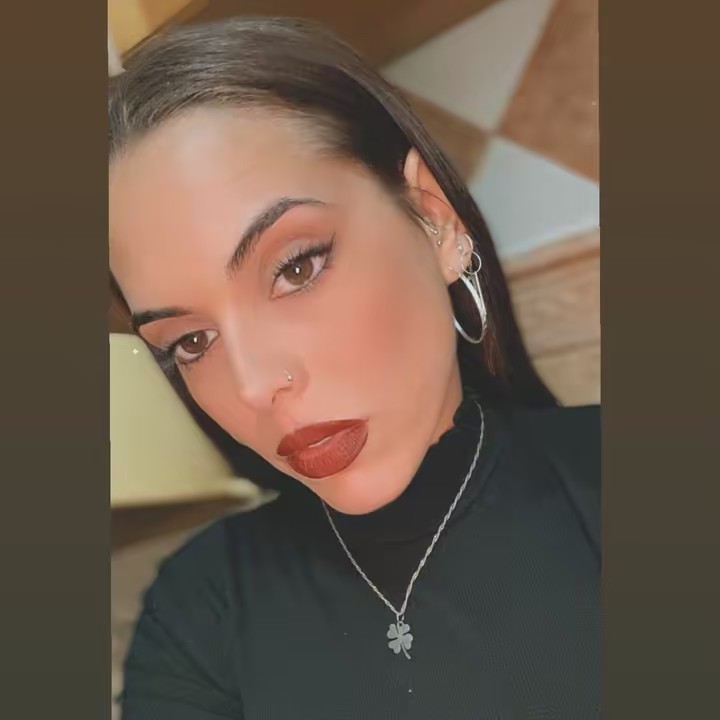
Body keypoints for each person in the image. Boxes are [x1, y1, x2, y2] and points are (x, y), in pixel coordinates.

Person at [109, 17, 601, 720]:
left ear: (433, 218)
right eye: (190, 341)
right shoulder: (199, 608)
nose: (253, 386)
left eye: (296, 267)